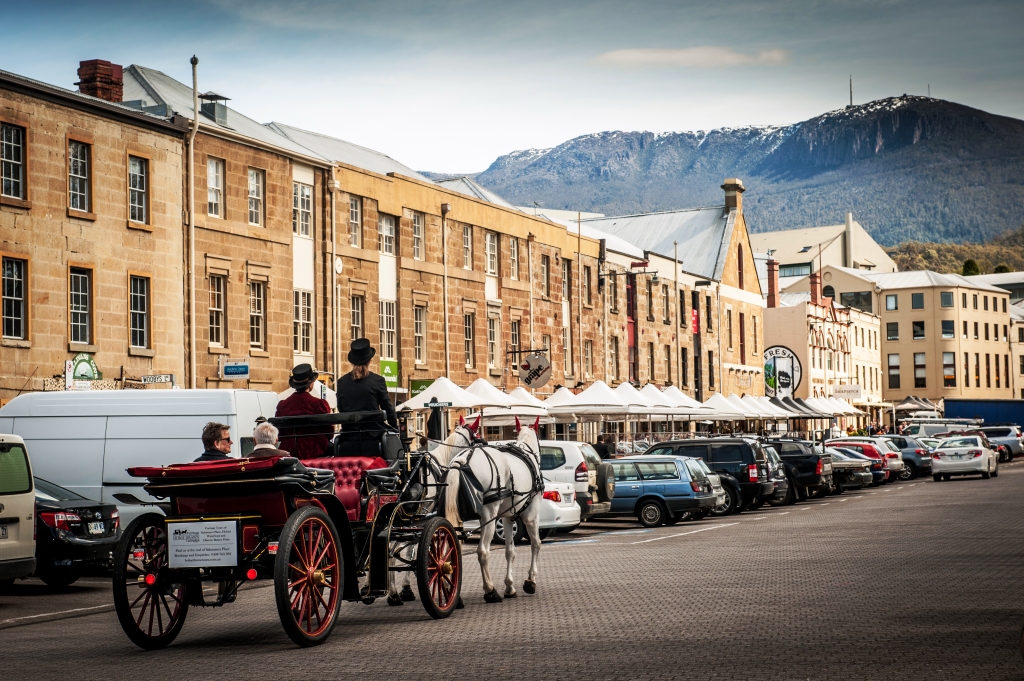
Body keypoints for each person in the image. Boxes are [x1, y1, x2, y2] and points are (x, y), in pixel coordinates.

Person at [336, 338, 398, 428]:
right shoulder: (378, 380)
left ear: (352, 362)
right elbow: (388, 409)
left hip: (349, 435)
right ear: (369, 361)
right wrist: (395, 427)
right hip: (374, 434)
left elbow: (341, 408)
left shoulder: (342, 382)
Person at [276, 363, 332, 459]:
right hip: (315, 448)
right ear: (310, 384)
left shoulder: (283, 405)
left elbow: (280, 433)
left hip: (289, 448)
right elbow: (329, 432)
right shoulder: (320, 404)